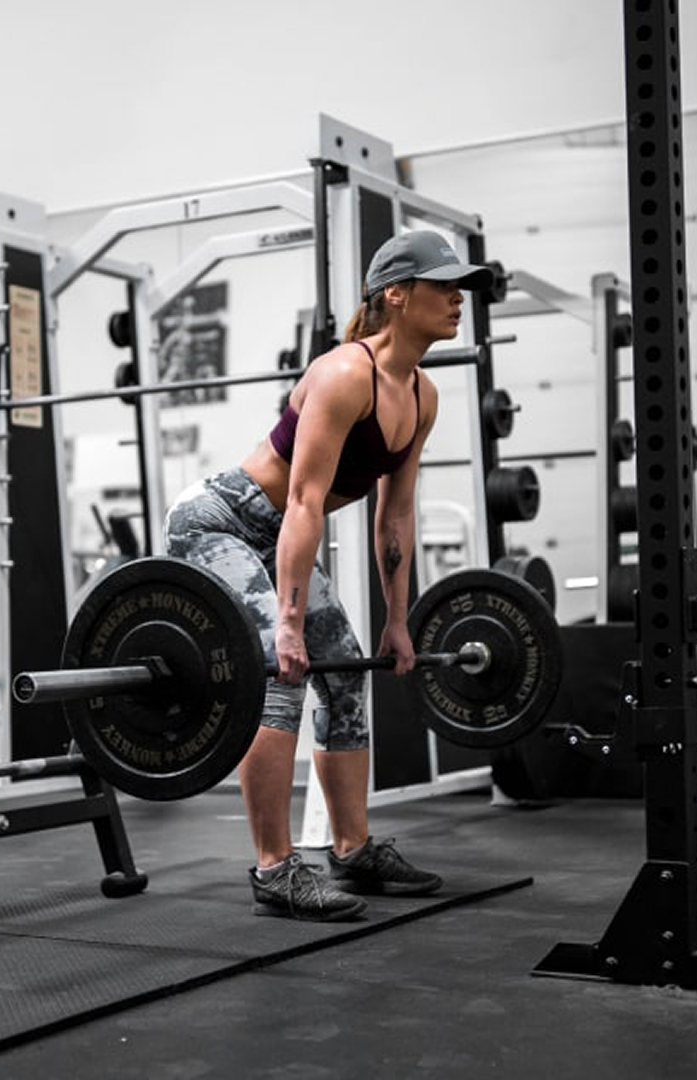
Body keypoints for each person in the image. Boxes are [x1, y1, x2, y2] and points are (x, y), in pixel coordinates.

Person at [164, 231, 493, 921]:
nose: (457, 298)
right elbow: (304, 502)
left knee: (344, 676)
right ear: (395, 294)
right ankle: (275, 869)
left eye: (459, 287)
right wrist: (286, 626)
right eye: (443, 285)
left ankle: (352, 848)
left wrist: (397, 620)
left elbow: (394, 517)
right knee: (279, 677)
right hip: (219, 523)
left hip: (277, 534)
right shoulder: (345, 374)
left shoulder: (422, 395)